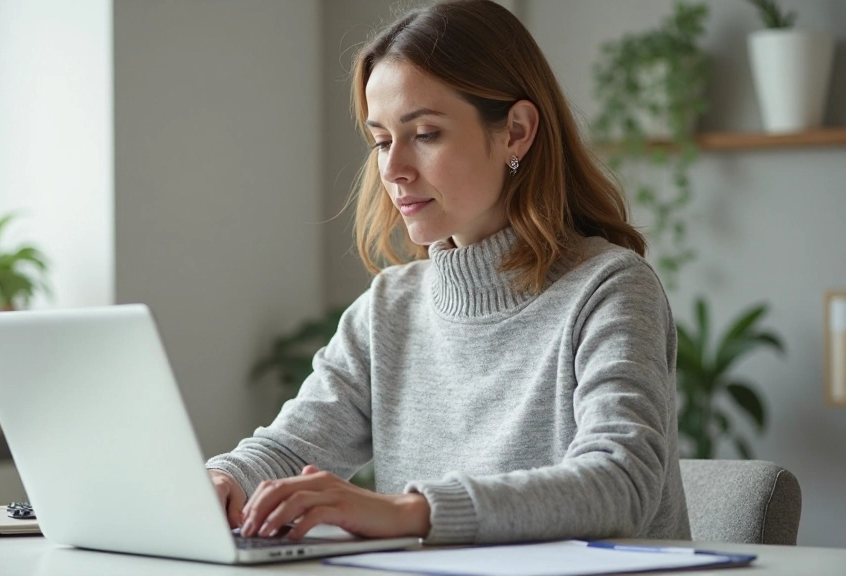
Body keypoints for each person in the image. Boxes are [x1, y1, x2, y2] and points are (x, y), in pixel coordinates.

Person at [206, 0, 691, 545]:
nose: (392, 170)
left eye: (426, 134)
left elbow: (620, 483)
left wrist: (411, 512)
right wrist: (223, 479)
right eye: (382, 141)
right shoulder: (389, 307)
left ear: (516, 132)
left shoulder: (610, 289)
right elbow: (292, 449)